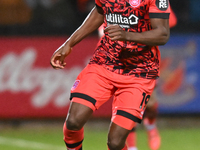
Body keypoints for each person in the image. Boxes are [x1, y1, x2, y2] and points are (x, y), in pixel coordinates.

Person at [50, 0, 170, 150]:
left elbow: (163, 34)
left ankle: (150, 126)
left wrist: (126, 35)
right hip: (104, 63)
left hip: (139, 73)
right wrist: (69, 43)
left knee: (115, 143)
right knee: (74, 121)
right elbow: (100, 11)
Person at [126, 6, 177, 150]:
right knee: (128, 103)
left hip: (147, 58)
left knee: (150, 104)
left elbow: (170, 20)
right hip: (123, 58)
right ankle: (132, 147)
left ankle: (151, 124)